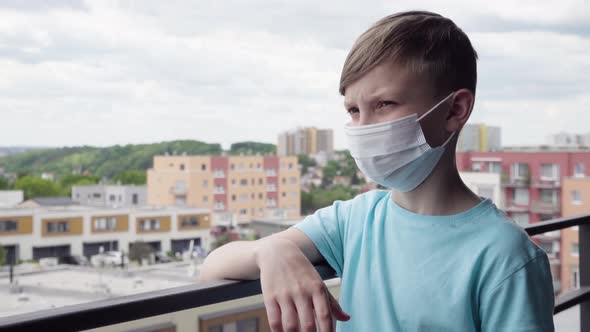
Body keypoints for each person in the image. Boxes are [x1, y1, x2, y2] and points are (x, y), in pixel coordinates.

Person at [199, 11, 555, 332]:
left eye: (384, 104)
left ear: (455, 109)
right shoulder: (355, 219)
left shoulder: (506, 255)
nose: (363, 127)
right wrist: (271, 251)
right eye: (353, 110)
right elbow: (214, 266)